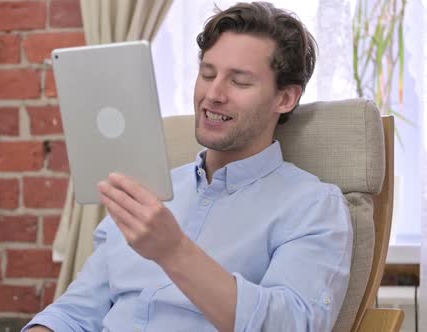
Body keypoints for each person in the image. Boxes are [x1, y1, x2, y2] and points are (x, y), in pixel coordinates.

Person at [23, 2, 352, 331]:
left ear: (285, 98)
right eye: (207, 74)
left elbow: (292, 324)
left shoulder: (313, 206)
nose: (213, 94)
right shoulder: (147, 191)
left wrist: (173, 251)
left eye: (239, 82)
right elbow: (73, 313)